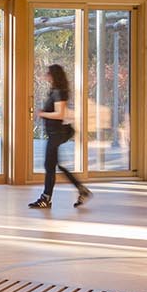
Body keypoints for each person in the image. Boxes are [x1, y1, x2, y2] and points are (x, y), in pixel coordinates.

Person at [32, 63, 91, 210]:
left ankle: (46, 198)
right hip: (55, 133)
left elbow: (60, 114)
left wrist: (41, 114)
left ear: (53, 75)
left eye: (48, 73)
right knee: (54, 165)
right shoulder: (55, 91)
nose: (46, 75)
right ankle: (81, 190)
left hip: (57, 133)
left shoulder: (59, 92)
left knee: (49, 165)